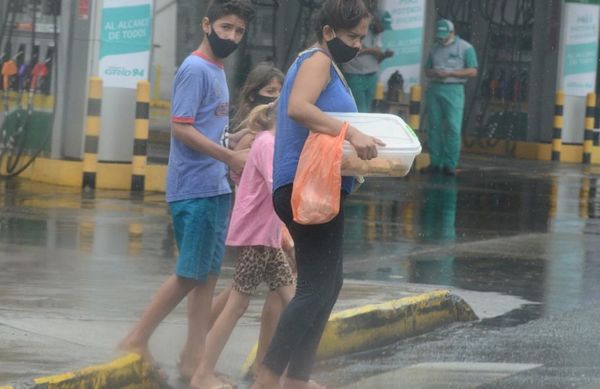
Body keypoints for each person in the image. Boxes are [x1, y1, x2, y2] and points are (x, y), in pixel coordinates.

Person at [118, 0, 254, 378]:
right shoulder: (195, 68)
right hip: (194, 187)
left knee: (207, 278)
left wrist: (237, 136)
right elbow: (180, 128)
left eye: (239, 31)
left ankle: (193, 361)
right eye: (225, 28)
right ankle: (136, 337)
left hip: (214, 187)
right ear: (207, 25)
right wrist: (229, 157)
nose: (231, 36)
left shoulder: (217, 69)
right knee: (190, 274)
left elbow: (206, 125)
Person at [252, 1, 384, 388]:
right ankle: (267, 380)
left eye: (362, 37)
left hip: (317, 185)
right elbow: (297, 108)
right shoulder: (318, 60)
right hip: (304, 186)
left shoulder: (329, 65)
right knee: (312, 289)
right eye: (352, 37)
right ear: (328, 32)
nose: (358, 45)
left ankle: (297, 379)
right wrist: (351, 133)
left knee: (328, 286)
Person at [191, 103, 296, 389]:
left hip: (268, 239)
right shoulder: (266, 145)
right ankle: (202, 374)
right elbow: (280, 186)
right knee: (237, 305)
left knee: (296, 303)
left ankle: (285, 375)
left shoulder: (266, 143)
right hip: (256, 237)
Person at [422, 19, 478, 176]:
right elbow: (427, 70)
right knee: (434, 126)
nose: (441, 38)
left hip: (454, 89)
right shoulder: (434, 49)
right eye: (439, 35)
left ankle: (450, 164)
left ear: (452, 32)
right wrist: (436, 73)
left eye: (444, 35)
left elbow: (473, 71)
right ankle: (435, 162)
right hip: (435, 88)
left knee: (453, 127)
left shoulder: (466, 48)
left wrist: (452, 73)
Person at [341, 0, 393, 113]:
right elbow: (353, 50)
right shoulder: (359, 28)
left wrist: (384, 55)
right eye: (382, 26)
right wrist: (372, 50)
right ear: (375, 21)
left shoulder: (377, 33)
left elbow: (377, 57)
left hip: (371, 74)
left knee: (368, 109)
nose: (382, 30)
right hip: (355, 73)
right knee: (359, 109)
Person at [228, 62, 284, 147]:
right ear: (252, 96)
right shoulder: (231, 122)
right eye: (270, 91)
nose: (277, 97)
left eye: (281, 92)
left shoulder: (283, 128)